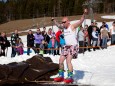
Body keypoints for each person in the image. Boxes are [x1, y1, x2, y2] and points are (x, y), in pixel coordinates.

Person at [52, 9, 88, 83]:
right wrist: (54, 20)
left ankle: (70, 76)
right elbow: (58, 25)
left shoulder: (72, 26)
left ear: (68, 21)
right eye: (62, 22)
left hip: (73, 46)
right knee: (61, 60)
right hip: (66, 46)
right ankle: (61, 76)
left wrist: (84, 13)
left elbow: (80, 21)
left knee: (68, 61)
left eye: (64, 22)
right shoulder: (63, 27)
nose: (63, 23)